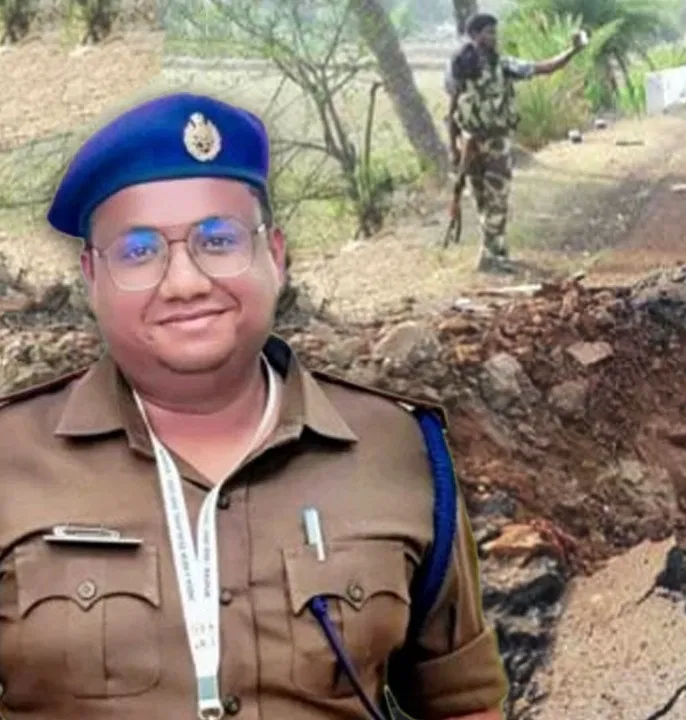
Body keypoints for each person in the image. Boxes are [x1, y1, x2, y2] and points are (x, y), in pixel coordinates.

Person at [0, 92, 507, 720]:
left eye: (219, 240)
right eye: (138, 251)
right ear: (91, 277)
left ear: (275, 254)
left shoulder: (398, 450)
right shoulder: (9, 460)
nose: (185, 282)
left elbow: (463, 702)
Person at [445, 13, 587, 273]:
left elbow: (545, 67)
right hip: (480, 143)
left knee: (492, 201)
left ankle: (496, 251)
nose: (493, 37)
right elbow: (453, 108)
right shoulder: (462, 67)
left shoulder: (500, 65)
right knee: (489, 201)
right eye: (488, 32)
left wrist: (572, 51)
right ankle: (491, 257)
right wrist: (453, 147)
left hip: (483, 141)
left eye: (494, 32)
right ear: (475, 36)